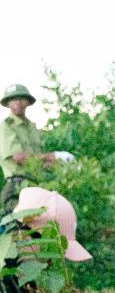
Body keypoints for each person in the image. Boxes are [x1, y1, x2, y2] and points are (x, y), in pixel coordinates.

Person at [0, 85, 73, 213]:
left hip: (38, 183)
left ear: (27, 101)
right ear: (8, 103)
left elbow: (39, 160)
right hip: (17, 184)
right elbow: (18, 157)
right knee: (18, 227)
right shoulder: (6, 126)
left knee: (44, 226)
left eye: (21, 98)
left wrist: (63, 165)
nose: (18, 102)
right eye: (13, 99)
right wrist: (53, 156)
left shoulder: (32, 127)